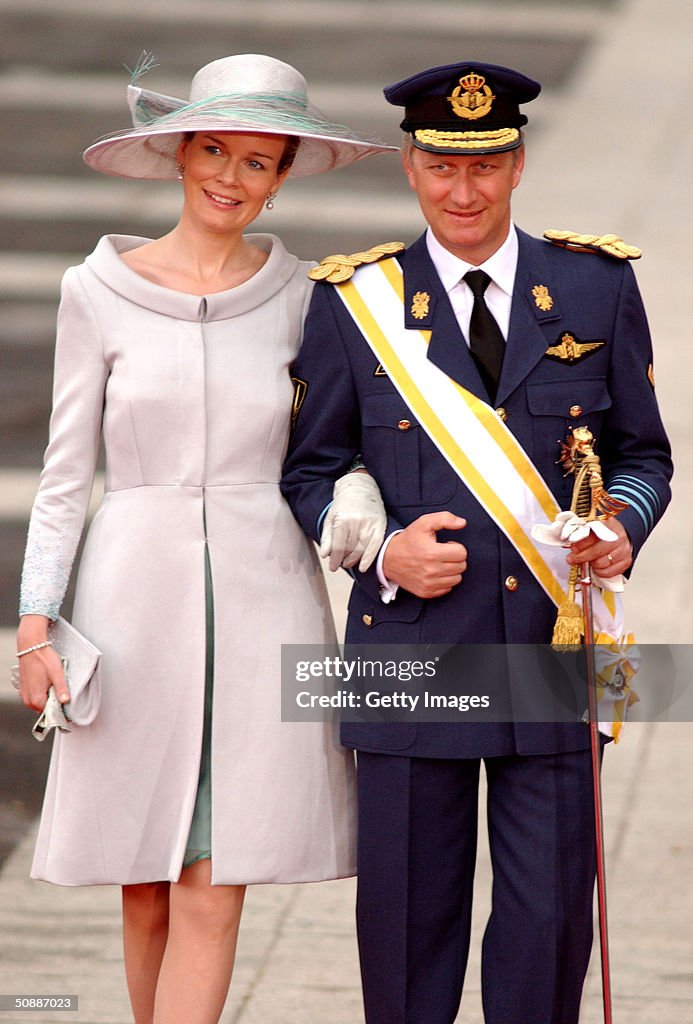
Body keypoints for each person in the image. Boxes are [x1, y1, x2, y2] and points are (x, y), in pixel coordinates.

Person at [281, 60, 673, 1023]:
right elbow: (307, 469)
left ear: (518, 163)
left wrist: (620, 523)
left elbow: (644, 455)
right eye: (444, 168)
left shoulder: (594, 288)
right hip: (408, 651)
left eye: (487, 166)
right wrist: (378, 551)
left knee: (546, 937)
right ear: (412, 169)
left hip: (557, 644)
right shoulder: (353, 303)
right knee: (407, 935)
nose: (466, 191)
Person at [15, 53, 392, 1024]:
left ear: (282, 177)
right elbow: (64, 477)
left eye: (259, 161)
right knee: (142, 883)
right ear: (180, 151)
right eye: (215, 149)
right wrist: (33, 626)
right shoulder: (94, 290)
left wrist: (352, 484)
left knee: (216, 881)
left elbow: (332, 445)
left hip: (268, 599)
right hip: (128, 600)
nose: (231, 175)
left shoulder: (313, 299)